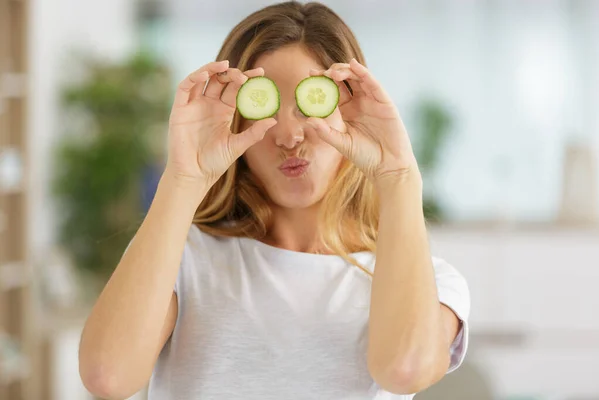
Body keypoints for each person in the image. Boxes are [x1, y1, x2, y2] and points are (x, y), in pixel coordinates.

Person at [78, 2, 470, 399]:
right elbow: (107, 376)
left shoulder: (430, 283)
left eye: (310, 103)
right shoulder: (184, 258)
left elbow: (403, 371)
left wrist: (399, 177)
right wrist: (182, 180)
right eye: (261, 108)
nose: (287, 135)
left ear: (351, 110)